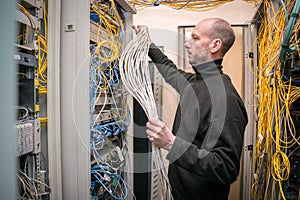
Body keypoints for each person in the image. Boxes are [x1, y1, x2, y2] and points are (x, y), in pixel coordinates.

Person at [133, 18, 248, 200]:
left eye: (195, 38)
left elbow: (226, 168)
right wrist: (148, 44)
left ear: (215, 45)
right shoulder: (197, 83)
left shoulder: (226, 99)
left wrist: (171, 143)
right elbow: (171, 71)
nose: (187, 44)